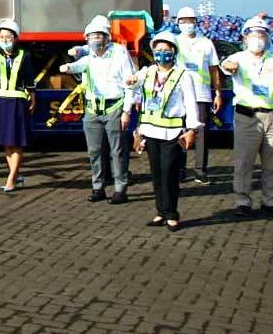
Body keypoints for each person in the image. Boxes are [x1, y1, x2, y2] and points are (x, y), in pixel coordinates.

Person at [127, 32, 201, 231]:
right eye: (158, 51)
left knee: (169, 172)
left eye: (166, 51)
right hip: (151, 130)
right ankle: (160, 211)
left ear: (174, 52)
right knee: (157, 173)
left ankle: (171, 213)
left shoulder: (183, 75)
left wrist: (192, 128)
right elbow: (135, 83)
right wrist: (132, 80)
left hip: (172, 132)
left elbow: (190, 103)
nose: (162, 54)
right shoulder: (148, 71)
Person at [61, 15, 137, 204]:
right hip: (93, 110)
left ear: (107, 37)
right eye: (91, 36)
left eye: (99, 36)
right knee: (94, 151)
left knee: (117, 151)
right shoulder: (90, 56)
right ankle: (98, 187)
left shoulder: (119, 53)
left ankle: (120, 188)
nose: (95, 39)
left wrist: (127, 111)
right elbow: (80, 64)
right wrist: (69, 67)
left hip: (115, 107)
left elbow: (130, 82)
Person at [221, 16, 273, 218]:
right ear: (245, 37)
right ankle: (242, 201)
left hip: (272, 116)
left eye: (261, 34)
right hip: (247, 116)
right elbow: (227, 65)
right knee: (244, 161)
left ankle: (269, 201)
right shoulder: (239, 58)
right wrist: (229, 66)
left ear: (267, 37)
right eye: (253, 34)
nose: (257, 38)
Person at [174, 6, 223, 184]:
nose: (187, 24)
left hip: (201, 94)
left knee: (201, 133)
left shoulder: (206, 43)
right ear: (178, 23)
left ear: (196, 22)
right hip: (179, 94)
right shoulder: (174, 42)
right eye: (183, 21)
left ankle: (200, 170)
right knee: (180, 131)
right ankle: (180, 169)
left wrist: (217, 93)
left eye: (190, 20)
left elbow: (214, 69)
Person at [0, 19, 35, 193]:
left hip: (17, 101)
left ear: (15, 38)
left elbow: (29, 78)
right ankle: (16, 175)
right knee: (6, 142)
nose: (4, 40)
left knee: (17, 142)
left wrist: (33, 96)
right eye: (2, 37)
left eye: (8, 37)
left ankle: (11, 179)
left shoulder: (24, 55)